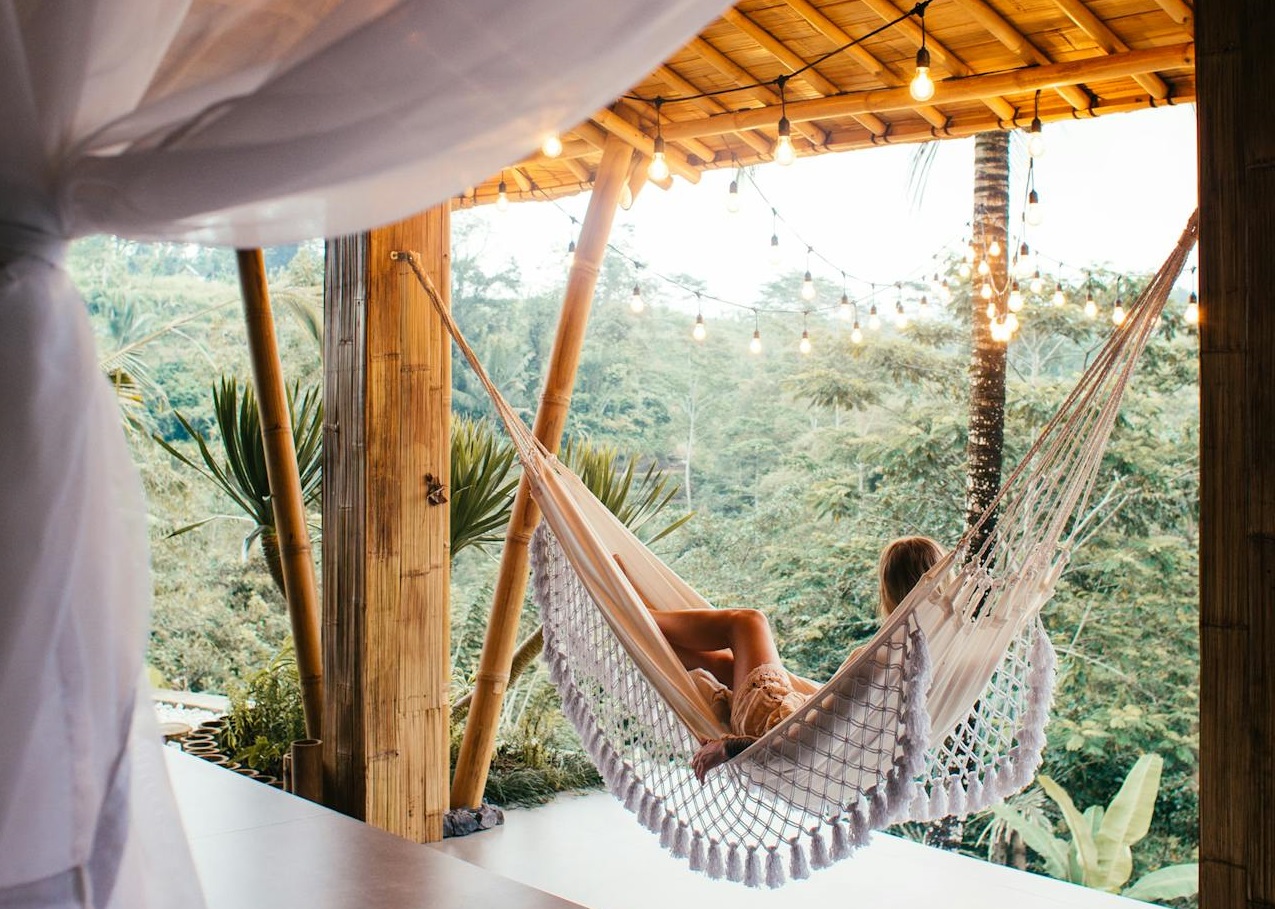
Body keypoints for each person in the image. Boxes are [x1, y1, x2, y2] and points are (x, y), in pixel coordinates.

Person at [645, 535, 944, 782]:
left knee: (749, 622)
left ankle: (634, 611)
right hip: (788, 723)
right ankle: (629, 619)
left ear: (888, 589)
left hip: (771, 726)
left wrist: (731, 747)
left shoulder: (881, 659)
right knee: (719, 663)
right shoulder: (932, 655)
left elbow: (810, 734)